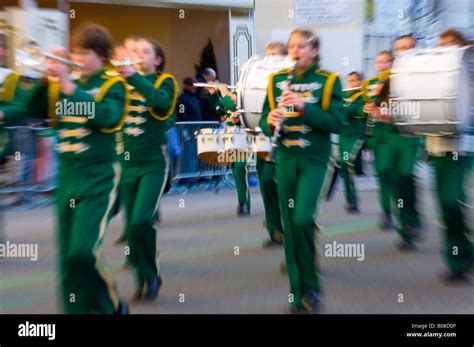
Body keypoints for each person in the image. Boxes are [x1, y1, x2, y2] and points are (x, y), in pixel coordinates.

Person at [0, 23, 129, 314]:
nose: (79, 58)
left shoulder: (113, 84)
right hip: (68, 180)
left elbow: (106, 117)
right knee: (68, 262)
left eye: (86, 53)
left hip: (99, 178)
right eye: (77, 51)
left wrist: (69, 87)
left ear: (101, 55)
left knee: (83, 253)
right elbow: (30, 109)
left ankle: (111, 306)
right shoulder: (62, 83)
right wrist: (46, 81)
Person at [260, 29, 347, 313]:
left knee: (303, 219)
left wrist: (303, 107)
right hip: (285, 160)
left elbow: (336, 122)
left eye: (301, 46)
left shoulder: (329, 81)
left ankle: (312, 282)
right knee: (290, 227)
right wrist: (270, 121)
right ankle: (300, 294)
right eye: (292, 46)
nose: (295, 50)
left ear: (315, 51)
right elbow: (262, 120)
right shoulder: (276, 81)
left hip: (315, 160)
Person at [115, 36, 177, 300]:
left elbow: (160, 103)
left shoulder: (165, 81)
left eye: (145, 52)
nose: (139, 55)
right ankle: (142, 278)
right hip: (126, 165)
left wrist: (132, 76)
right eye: (136, 51)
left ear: (157, 60)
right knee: (131, 230)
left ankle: (151, 275)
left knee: (142, 221)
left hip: (152, 164)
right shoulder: (122, 83)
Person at [425, 29, 472, 282]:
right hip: (437, 147)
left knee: (452, 200)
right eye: (441, 44)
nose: (445, 48)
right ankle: (463, 251)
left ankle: (458, 261)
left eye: (451, 43)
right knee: (445, 203)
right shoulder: (432, 75)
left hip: (463, 147)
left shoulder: (470, 74)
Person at [258, 42, 287, 248]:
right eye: (268, 54)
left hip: (291, 144)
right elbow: (259, 115)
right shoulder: (264, 80)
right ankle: (274, 229)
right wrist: (268, 122)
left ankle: (289, 230)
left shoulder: (287, 80)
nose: (270, 58)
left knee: (285, 187)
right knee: (267, 182)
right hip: (263, 140)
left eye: (275, 55)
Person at [208, 83, 251, 216]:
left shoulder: (241, 99)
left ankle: (244, 202)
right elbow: (218, 109)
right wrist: (212, 94)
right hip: (230, 140)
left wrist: (225, 92)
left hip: (244, 139)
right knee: (235, 170)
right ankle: (242, 201)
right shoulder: (227, 99)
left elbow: (235, 107)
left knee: (240, 168)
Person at [339, 71, 367, 213]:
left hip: (356, 136)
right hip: (343, 137)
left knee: (348, 162)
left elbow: (360, 111)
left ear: (360, 82)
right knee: (343, 166)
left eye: (355, 80)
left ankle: (353, 199)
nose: (352, 83)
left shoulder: (362, 96)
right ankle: (351, 198)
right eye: (350, 80)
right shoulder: (343, 96)